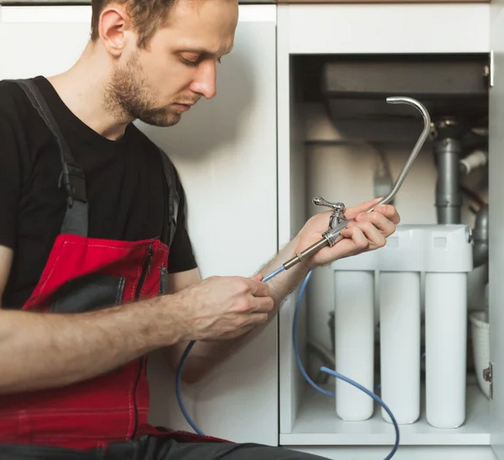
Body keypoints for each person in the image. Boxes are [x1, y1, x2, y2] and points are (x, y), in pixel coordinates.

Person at [0, 0, 400, 458]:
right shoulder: (9, 125)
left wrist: (301, 253)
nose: (209, 86)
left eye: (218, 61)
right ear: (115, 30)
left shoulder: (156, 174)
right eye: (191, 58)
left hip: (129, 446)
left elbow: (192, 356)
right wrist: (174, 314)